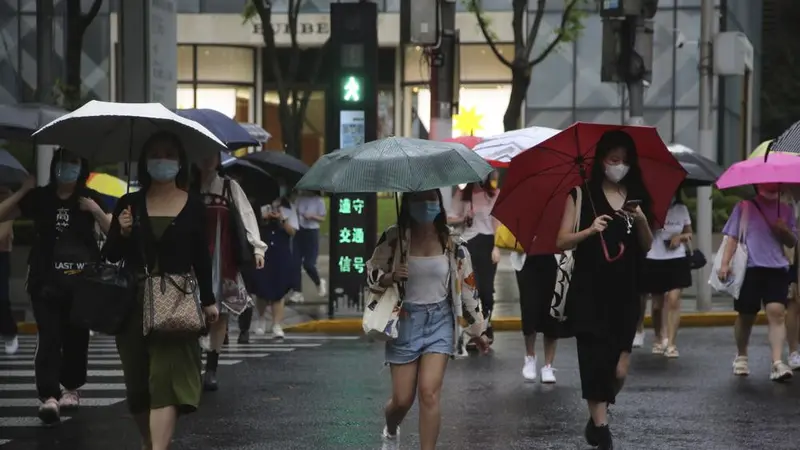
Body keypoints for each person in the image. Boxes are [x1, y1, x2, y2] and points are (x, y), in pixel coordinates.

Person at [103, 131, 219, 450]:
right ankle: (149, 440)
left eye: (169, 154)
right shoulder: (129, 204)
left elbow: (201, 256)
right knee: (138, 387)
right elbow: (111, 256)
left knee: (165, 381)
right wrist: (122, 232)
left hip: (174, 299)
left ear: (180, 162)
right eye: (156, 153)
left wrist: (209, 300)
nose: (162, 160)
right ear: (144, 162)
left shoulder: (194, 205)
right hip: (132, 304)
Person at [368, 190, 489, 450]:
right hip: (405, 320)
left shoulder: (451, 241)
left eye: (431, 199)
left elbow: (467, 288)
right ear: (408, 204)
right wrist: (391, 276)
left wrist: (478, 330)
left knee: (429, 393)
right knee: (402, 400)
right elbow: (371, 273)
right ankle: (391, 426)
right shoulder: (394, 237)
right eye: (419, 199)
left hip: (440, 321)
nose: (426, 205)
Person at [556, 130, 654, 450]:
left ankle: (597, 418)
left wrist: (640, 220)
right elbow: (560, 240)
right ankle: (602, 429)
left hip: (625, 293)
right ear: (601, 160)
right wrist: (589, 230)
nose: (619, 166)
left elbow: (648, 245)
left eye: (625, 161)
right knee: (594, 361)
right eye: (614, 160)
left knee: (619, 369)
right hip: (589, 291)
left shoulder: (635, 195)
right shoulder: (581, 193)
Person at [0, 148, 110, 424]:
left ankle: (71, 388)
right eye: (63, 160)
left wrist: (95, 211)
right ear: (55, 165)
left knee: (76, 336)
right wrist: (23, 190)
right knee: (48, 336)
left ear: (82, 167)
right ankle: (49, 396)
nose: (67, 167)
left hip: (81, 282)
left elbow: (113, 232)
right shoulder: (41, 197)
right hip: (44, 281)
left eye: (74, 161)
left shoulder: (89, 197)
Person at [191, 153, 266, 391]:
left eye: (212, 154)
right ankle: (193, 364)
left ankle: (211, 368)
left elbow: (246, 215)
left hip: (223, 259)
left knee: (221, 313)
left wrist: (257, 248)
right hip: (190, 259)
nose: (207, 158)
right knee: (191, 314)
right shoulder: (184, 185)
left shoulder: (228, 186)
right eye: (203, 152)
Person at [718, 183, 797, 381]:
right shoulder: (744, 207)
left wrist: (784, 230)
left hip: (777, 268)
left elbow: (792, 242)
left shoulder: (786, 209)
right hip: (749, 269)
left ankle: (777, 362)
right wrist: (725, 264)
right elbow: (732, 238)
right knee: (746, 316)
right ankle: (741, 355)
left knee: (777, 313)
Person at [635, 192, 693, 357]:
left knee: (674, 299)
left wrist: (679, 237)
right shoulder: (648, 208)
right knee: (657, 305)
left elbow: (689, 233)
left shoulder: (681, 209)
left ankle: (672, 343)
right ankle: (659, 337)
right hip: (654, 258)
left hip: (677, 259)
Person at [447, 172, 500, 344]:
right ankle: (474, 331)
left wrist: (496, 247)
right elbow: (449, 217)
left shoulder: (493, 194)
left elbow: (498, 222)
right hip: (468, 244)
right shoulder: (462, 195)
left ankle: (486, 327)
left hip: (487, 244)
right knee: (470, 290)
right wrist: (463, 218)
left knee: (486, 290)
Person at [248, 191, 299, 339]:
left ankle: (277, 324)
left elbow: (292, 232)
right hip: (263, 250)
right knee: (261, 287)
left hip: (280, 251)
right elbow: (252, 228)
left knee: (279, 288)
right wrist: (264, 218)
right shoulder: (259, 206)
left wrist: (282, 219)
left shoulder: (289, 208)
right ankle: (261, 320)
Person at [514, 253, 560, 383]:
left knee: (551, 311)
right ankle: (530, 356)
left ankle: (548, 366)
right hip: (525, 258)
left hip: (552, 257)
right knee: (529, 309)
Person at [293, 190, 327, 299]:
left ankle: (319, 282)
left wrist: (312, 216)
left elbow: (322, 218)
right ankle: (297, 292)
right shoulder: (299, 199)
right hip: (299, 231)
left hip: (312, 232)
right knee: (295, 263)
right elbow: (295, 212)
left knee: (308, 264)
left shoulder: (319, 200)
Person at [0, 187, 16, 355]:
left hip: (1, 254)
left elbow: (2, 233)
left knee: (2, 299)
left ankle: (9, 332)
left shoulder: (7, 197)